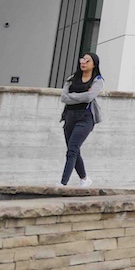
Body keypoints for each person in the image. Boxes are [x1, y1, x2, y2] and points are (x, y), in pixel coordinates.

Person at [58, 52, 103, 188]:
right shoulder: (72, 79)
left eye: (87, 60)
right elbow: (63, 97)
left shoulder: (98, 80)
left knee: (72, 150)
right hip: (70, 116)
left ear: (94, 64)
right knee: (74, 150)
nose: (83, 62)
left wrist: (73, 96)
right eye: (82, 59)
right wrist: (81, 95)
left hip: (85, 118)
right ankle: (84, 179)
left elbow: (89, 97)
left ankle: (62, 183)